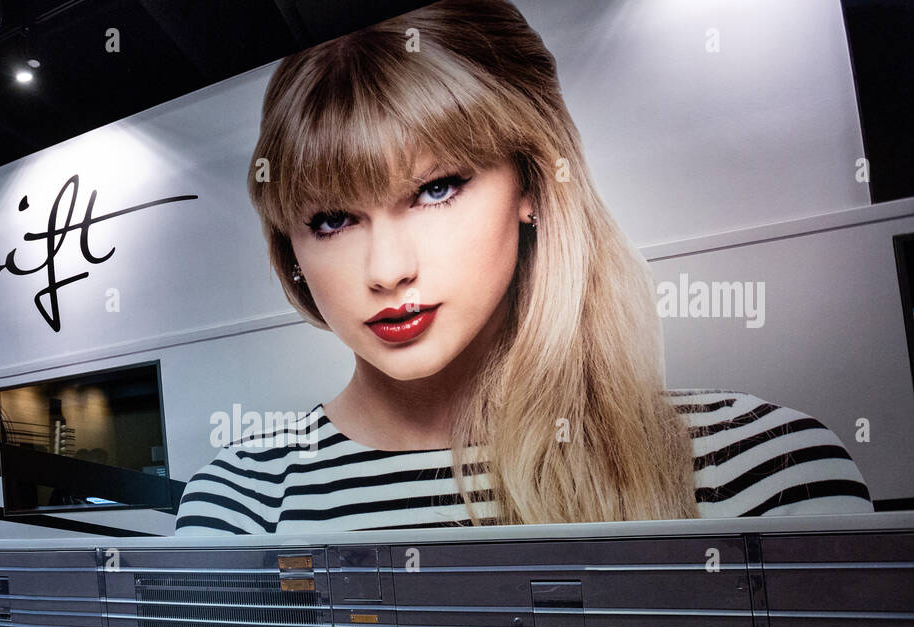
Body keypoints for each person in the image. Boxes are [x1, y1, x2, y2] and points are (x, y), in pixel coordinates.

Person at [175, 0, 871, 535]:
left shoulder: (765, 470)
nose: (386, 270)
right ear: (290, 246)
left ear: (532, 186)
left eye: (436, 188)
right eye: (332, 219)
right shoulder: (239, 504)